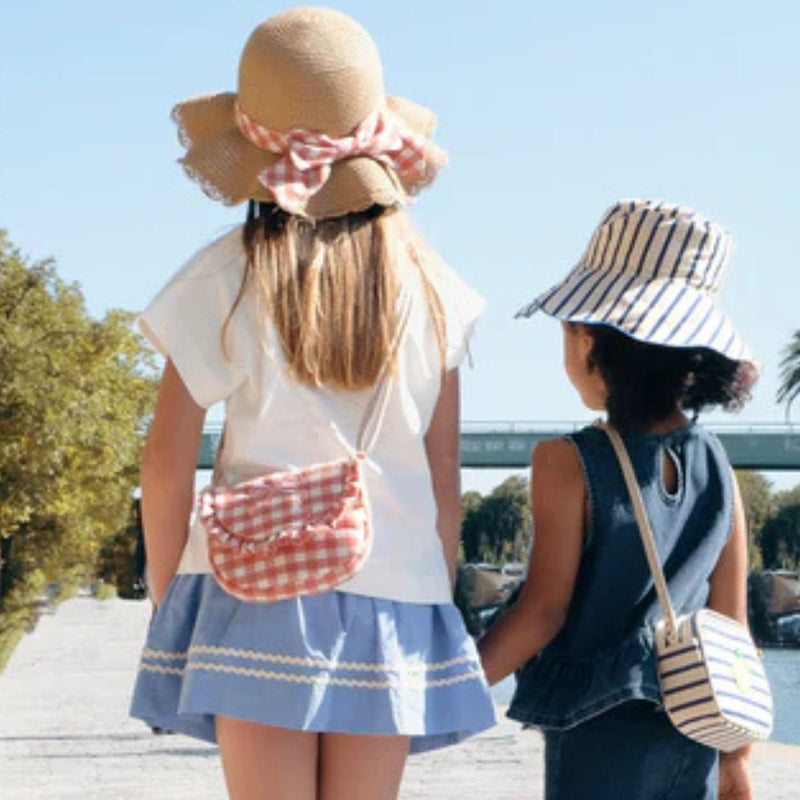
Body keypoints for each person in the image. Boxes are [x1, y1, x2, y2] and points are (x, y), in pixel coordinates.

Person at [129, 8, 496, 799]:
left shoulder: (226, 275)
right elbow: (443, 481)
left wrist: (174, 594)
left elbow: (165, 465)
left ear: (255, 153)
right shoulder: (438, 293)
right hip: (398, 598)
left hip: (254, 584)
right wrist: (433, 586)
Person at [478, 199, 757, 800]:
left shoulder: (567, 461)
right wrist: (736, 759)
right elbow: (733, 624)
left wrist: (454, 687)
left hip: (601, 734)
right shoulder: (719, 465)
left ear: (588, 343)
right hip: (697, 732)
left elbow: (543, 610)